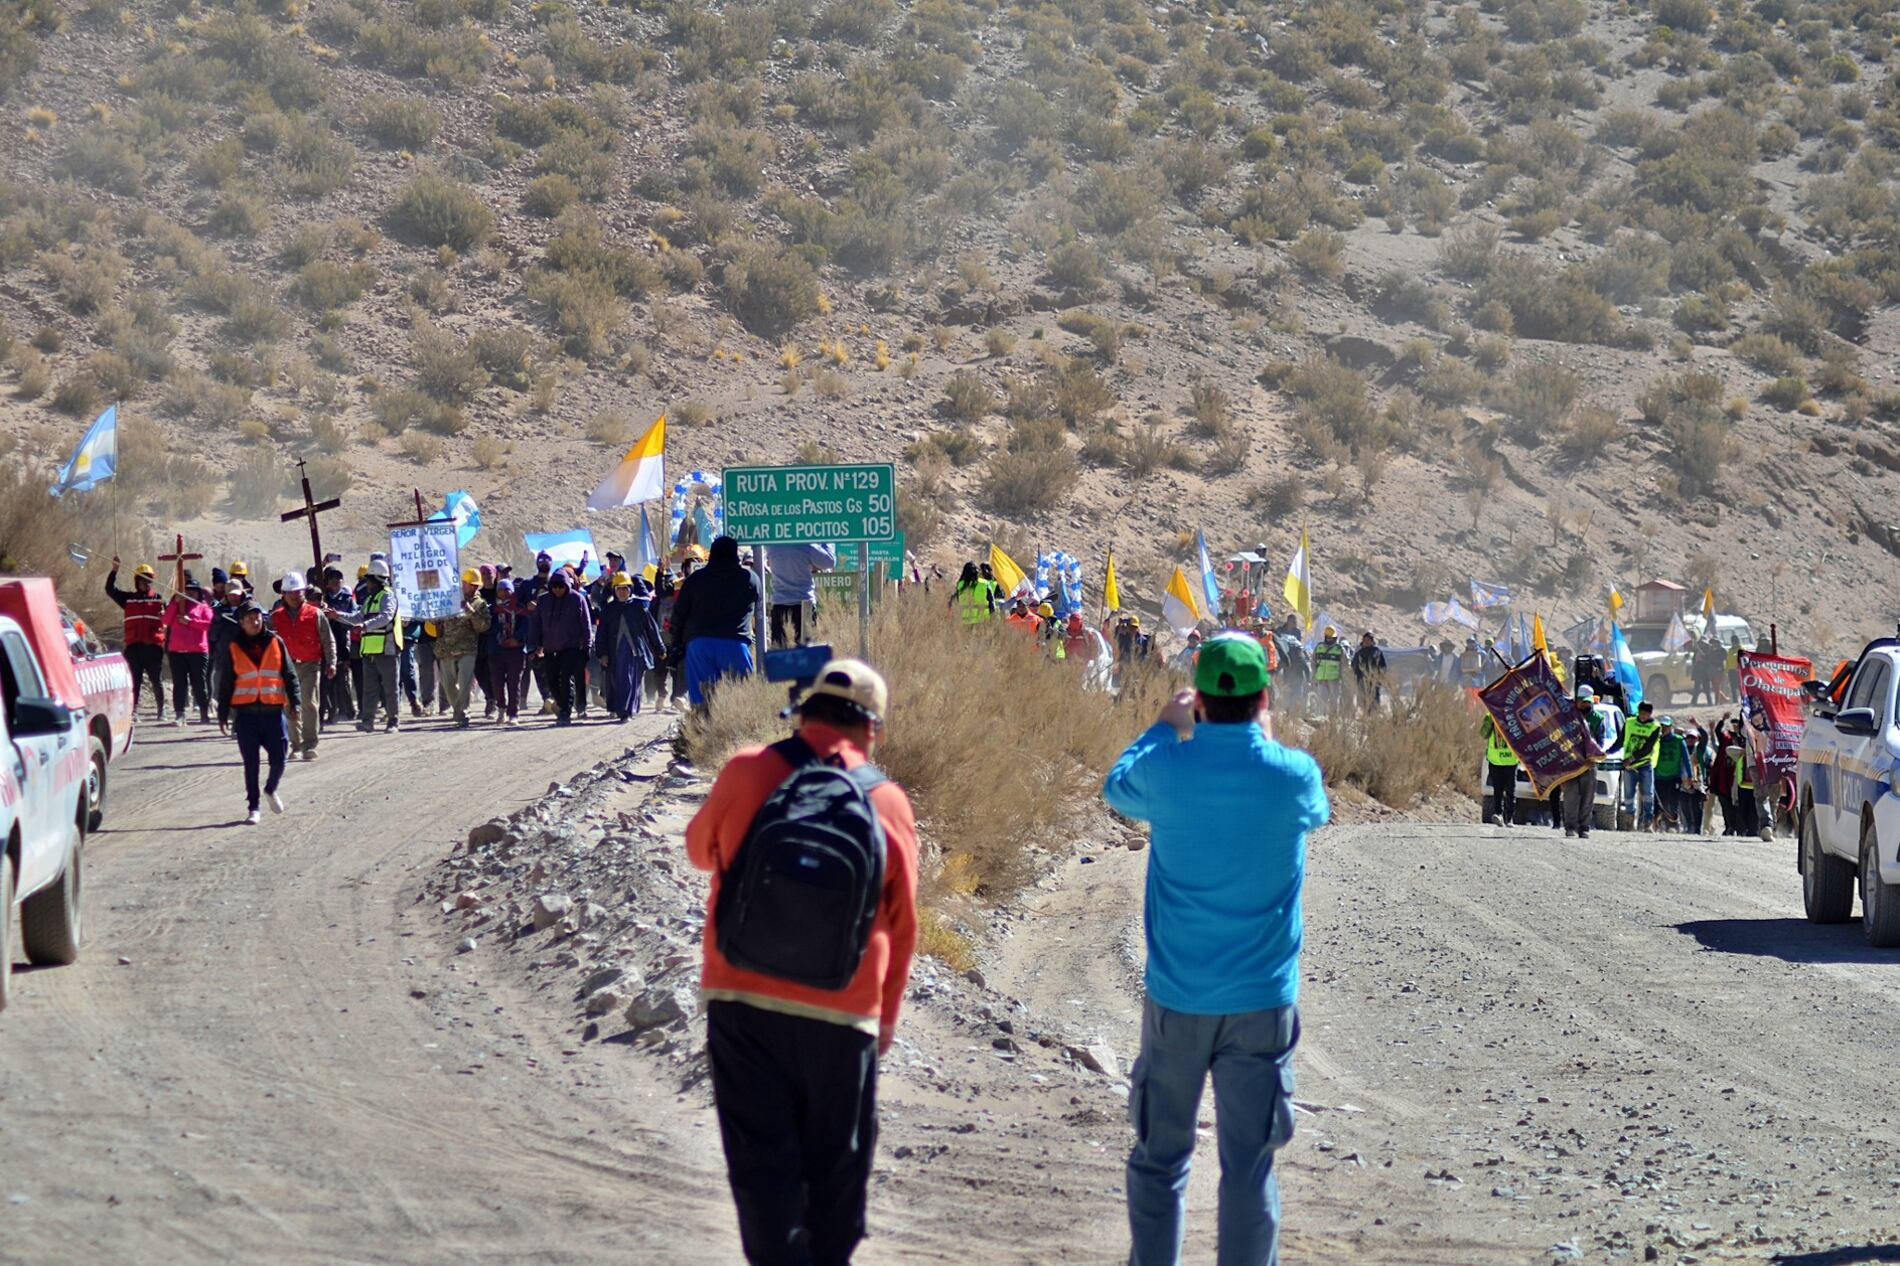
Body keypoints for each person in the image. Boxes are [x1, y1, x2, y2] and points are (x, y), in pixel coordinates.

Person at [1101, 634, 1328, 1266]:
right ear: (1265, 697)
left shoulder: (1168, 769)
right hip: (1261, 1001)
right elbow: (1314, 812)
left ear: (1196, 698)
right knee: (1250, 1168)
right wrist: (1263, 736)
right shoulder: (1293, 775)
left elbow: (1117, 787)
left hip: (1178, 999)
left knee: (1160, 1158)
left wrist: (1163, 728)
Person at [685, 659, 918, 1266]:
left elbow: (697, 850)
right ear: (875, 731)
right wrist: (884, 1018)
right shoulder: (888, 803)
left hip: (740, 998)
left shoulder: (746, 770)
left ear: (802, 712)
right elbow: (903, 924)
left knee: (765, 1175)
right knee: (836, 1179)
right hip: (844, 1014)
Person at [215, 602, 299, 826]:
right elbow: (226, 683)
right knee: (250, 763)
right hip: (246, 716)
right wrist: (223, 714)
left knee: (280, 759)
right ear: (240, 622)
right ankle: (253, 807)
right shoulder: (233, 647)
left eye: (258, 617)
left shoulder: (276, 642)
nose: (255, 621)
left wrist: (296, 703)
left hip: (273, 714)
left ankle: (271, 789)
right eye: (249, 618)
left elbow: (289, 675)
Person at [669, 536, 760, 708]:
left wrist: (676, 644)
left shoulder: (695, 579)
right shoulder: (750, 578)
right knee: (742, 700)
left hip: (699, 645)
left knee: (703, 701)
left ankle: (703, 732)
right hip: (735, 644)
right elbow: (759, 609)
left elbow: (679, 614)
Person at [327, 559, 403, 732]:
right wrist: (337, 615)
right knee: (369, 689)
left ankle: (393, 722)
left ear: (377, 579)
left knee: (390, 687)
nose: (366, 583)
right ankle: (368, 721)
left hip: (387, 648)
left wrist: (366, 625)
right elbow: (357, 617)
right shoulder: (370, 599)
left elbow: (386, 616)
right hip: (369, 650)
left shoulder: (387, 595)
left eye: (369, 579)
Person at [270, 571, 335, 761]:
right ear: (283, 593)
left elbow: (327, 640)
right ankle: (296, 746)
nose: (294, 595)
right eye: (290, 592)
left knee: (308, 703)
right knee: (289, 705)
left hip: (310, 665)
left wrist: (331, 662)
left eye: (298, 591)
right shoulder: (275, 617)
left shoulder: (315, 614)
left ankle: (309, 745)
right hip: (285, 668)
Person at [105, 557, 167, 720]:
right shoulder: (128, 599)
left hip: (153, 647)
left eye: (148, 580)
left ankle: (162, 710)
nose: (144, 583)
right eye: (142, 580)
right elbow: (110, 589)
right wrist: (114, 570)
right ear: (136, 581)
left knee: (156, 680)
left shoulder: (159, 600)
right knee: (135, 680)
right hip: (134, 647)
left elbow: (171, 615)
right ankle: (133, 711)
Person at [598, 573, 665, 721]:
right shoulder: (609, 610)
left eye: (625, 588)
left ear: (630, 589)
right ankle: (623, 709)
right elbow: (601, 634)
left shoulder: (638, 607)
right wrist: (602, 654)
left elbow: (651, 629)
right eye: (619, 588)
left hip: (635, 653)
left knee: (631, 682)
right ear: (614, 590)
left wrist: (660, 648)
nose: (622, 592)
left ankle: (626, 711)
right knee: (617, 681)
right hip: (614, 654)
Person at [430, 568, 491, 727]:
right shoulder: (449, 599)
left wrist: (470, 611)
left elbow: (483, 626)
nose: (473, 587)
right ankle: (458, 709)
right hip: (446, 648)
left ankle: (463, 712)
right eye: (470, 584)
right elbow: (436, 619)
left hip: (467, 649)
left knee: (465, 684)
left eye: (475, 585)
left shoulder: (480, 604)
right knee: (448, 684)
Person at [534, 567, 595, 724]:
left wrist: (587, 645)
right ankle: (561, 705)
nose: (557, 590)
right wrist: (536, 644)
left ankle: (565, 712)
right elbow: (536, 624)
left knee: (567, 678)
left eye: (561, 586)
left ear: (567, 585)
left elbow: (586, 624)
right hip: (549, 648)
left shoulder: (577, 599)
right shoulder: (543, 600)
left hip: (571, 647)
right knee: (553, 681)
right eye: (554, 586)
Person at [159, 576, 214, 725]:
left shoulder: (203, 607)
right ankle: (180, 714)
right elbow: (165, 621)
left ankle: (204, 712)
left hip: (198, 651)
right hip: (177, 651)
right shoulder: (176, 605)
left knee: (199, 683)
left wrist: (191, 622)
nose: (190, 594)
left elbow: (209, 625)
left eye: (193, 592)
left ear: (199, 593)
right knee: (179, 684)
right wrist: (174, 604)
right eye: (187, 591)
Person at [1562, 686, 1616, 839]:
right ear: (1576, 700)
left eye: (1587, 702)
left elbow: (1601, 742)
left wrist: (1593, 757)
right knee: (1571, 796)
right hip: (1571, 763)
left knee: (1587, 797)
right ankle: (1570, 827)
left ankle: (1584, 827)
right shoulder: (1569, 716)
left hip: (1589, 764)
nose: (1585, 705)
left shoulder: (1598, 718)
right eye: (1582, 702)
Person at [766, 543, 836, 647]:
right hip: (803, 604)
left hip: (779, 604)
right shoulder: (805, 544)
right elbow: (829, 562)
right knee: (807, 652)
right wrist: (826, 541)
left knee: (780, 651)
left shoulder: (773, 544)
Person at [485, 578, 532, 726]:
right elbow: (485, 627)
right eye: (500, 589)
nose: (504, 593)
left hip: (516, 650)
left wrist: (516, 638)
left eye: (507, 590)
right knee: (497, 682)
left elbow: (526, 626)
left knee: (514, 682)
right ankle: (501, 709)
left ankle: (513, 713)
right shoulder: (491, 609)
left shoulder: (519, 608)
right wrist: (500, 631)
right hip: (496, 650)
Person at [318, 567, 358, 724]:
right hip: (324, 641)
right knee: (326, 682)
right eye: (332, 577)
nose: (335, 580)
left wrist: (338, 617)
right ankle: (331, 712)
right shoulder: (322, 598)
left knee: (342, 680)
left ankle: (349, 711)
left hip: (341, 641)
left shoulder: (348, 599)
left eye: (339, 577)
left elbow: (354, 619)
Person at [649, 567, 687, 713]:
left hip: (676, 640)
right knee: (659, 671)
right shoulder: (657, 601)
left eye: (670, 580)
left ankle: (675, 699)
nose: (669, 584)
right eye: (666, 581)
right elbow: (659, 589)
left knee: (677, 672)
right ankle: (662, 694)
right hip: (661, 641)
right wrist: (660, 572)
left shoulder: (681, 597)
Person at [1620, 701, 1662, 831]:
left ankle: (1647, 822)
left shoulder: (1655, 727)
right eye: (1641, 713)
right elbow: (1620, 740)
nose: (1643, 716)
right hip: (1629, 767)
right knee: (1628, 794)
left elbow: (1647, 748)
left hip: (1644, 763)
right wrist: (1606, 751)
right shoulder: (1629, 722)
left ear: (1650, 714)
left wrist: (1631, 759)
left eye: (1646, 714)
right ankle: (1629, 821)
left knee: (1648, 794)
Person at [1652, 716, 1692, 832]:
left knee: (1673, 802)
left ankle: (1672, 825)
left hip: (1674, 777)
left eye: (1666, 726)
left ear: (1670, 727)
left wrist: (1689, 775)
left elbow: (1686, 759)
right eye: (1662, 726)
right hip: (1658, 777)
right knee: (1659, 803)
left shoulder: (1679, 740)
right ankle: (1657, 825)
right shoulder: (1656, 740)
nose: (1664, 729)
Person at [1481, 711, 1518, 827]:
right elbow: (1483, 734)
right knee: (1498, 789)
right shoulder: (1490, 714)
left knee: (1510, 790)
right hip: (1495, 759)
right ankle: (1498, 814)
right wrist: (1490, 722)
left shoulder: (1516, 715)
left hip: (1511, 760)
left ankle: (1510, 818)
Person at [1311, 625, 1346, 715]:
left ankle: (1332, 719)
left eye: (1332, 638)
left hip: (1334, 680)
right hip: (1321, 679)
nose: (1330, 639)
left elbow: (1345, 665)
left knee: (1334, 701)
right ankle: (1322, 718)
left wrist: (1344, 678)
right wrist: (1314, 676)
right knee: (1322, 701)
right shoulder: (1319, 647)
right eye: (1328, 637)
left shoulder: (1339, 649)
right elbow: (1313, 663)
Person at [949, 562, 994, 626]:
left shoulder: (960, 584)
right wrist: (993, 619)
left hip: (965, 621)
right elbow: (991, 602)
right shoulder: (985, 584)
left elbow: (956, 602)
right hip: (982, 621)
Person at [1351, 631, 1387, 712]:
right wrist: (1357, 677)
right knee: (1363, 703)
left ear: (1372, 641)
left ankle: (1374, 719)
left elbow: (1383, 666)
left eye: (1368, 640)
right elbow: (1354, 667)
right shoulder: (1359, 653)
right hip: (1362, 682)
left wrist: (1380, 677)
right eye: (1365, 640)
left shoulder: (1377, 652)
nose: (1366, 642)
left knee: (1374, 703)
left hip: (1374, 682)